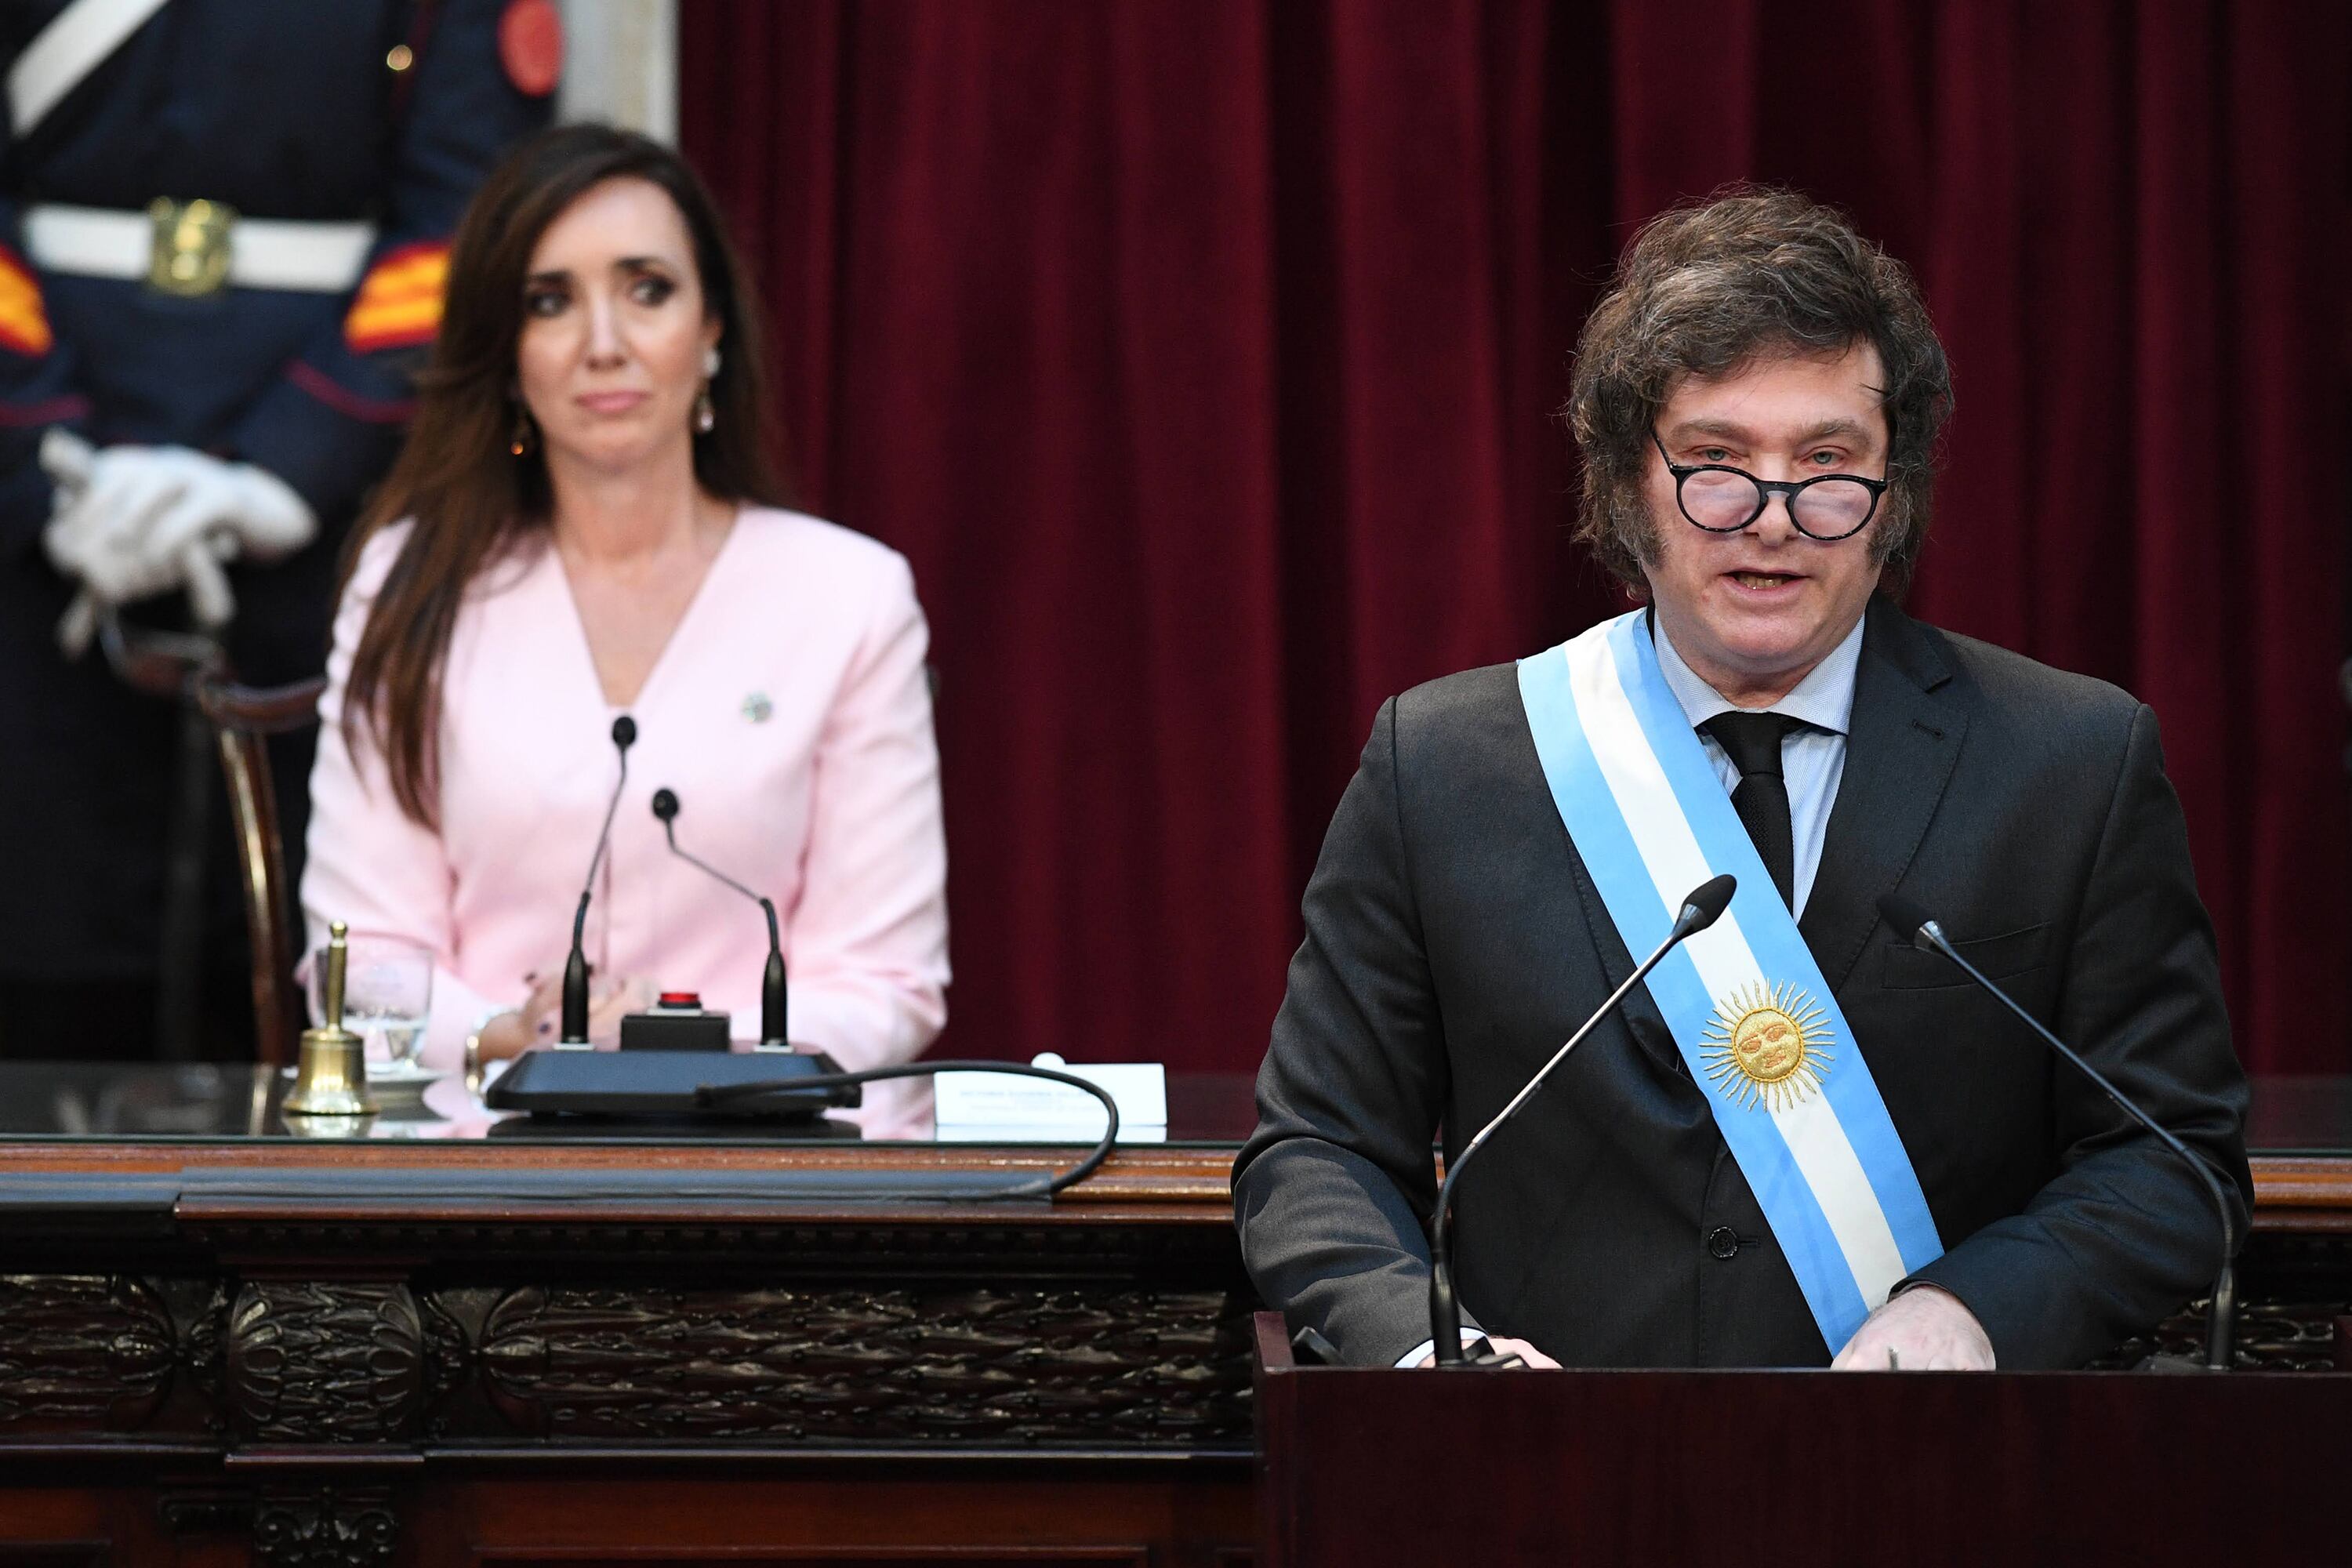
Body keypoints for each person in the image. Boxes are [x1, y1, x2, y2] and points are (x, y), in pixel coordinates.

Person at [1233, 190, 2251, 1372]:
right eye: (1716, 463)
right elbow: (1316, 1151)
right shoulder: (1446, 765)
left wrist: (1974, 1312)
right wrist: (1432, 1358)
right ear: (1627, 487)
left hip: (1937, 1493)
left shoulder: (2070, 760)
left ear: (1895, 496)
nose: (1774, 519)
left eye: (1828, 464)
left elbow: (2172, 1160)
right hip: (1540, 1493)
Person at [300, 125, 949, 1087]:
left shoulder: (849, 594)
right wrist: (509, 1037)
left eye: (647, 289)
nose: (604, 345)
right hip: (473, 1170)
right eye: (551, 302)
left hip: (765, 1178)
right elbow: (359, 967)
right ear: (507, 350)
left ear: (713, 326)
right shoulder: (409, 581)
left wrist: (679, 1044)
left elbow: (887, 980)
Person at [0, 0, 550, 1059]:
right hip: (35, 527)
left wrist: (293, 466)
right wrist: (43, 459)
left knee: (305, 981)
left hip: (331, 520)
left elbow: (469, 216)